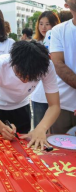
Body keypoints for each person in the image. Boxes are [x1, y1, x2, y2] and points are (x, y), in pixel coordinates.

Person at [0, 41, 60, 150]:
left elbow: (54, 105)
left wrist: (41, 128)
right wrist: (2, 128)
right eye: (20, 74)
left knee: (22, 149)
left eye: (31, 77)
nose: (25, 80)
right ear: (12, 62)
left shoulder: (45, 66)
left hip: (22, 106)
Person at [49, 0, 76, 133]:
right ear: (66, 4)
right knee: (58, 151)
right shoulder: (58, 30)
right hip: (62, 105)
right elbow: (58, 64)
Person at [31, 11, 60, 129]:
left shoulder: (59, 43)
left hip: (56, 95)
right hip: (38, 95)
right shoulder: (33, 44)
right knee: (38, 130)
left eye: (47, 24)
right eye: (41, 23)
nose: (43, 27)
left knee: (55, 133)